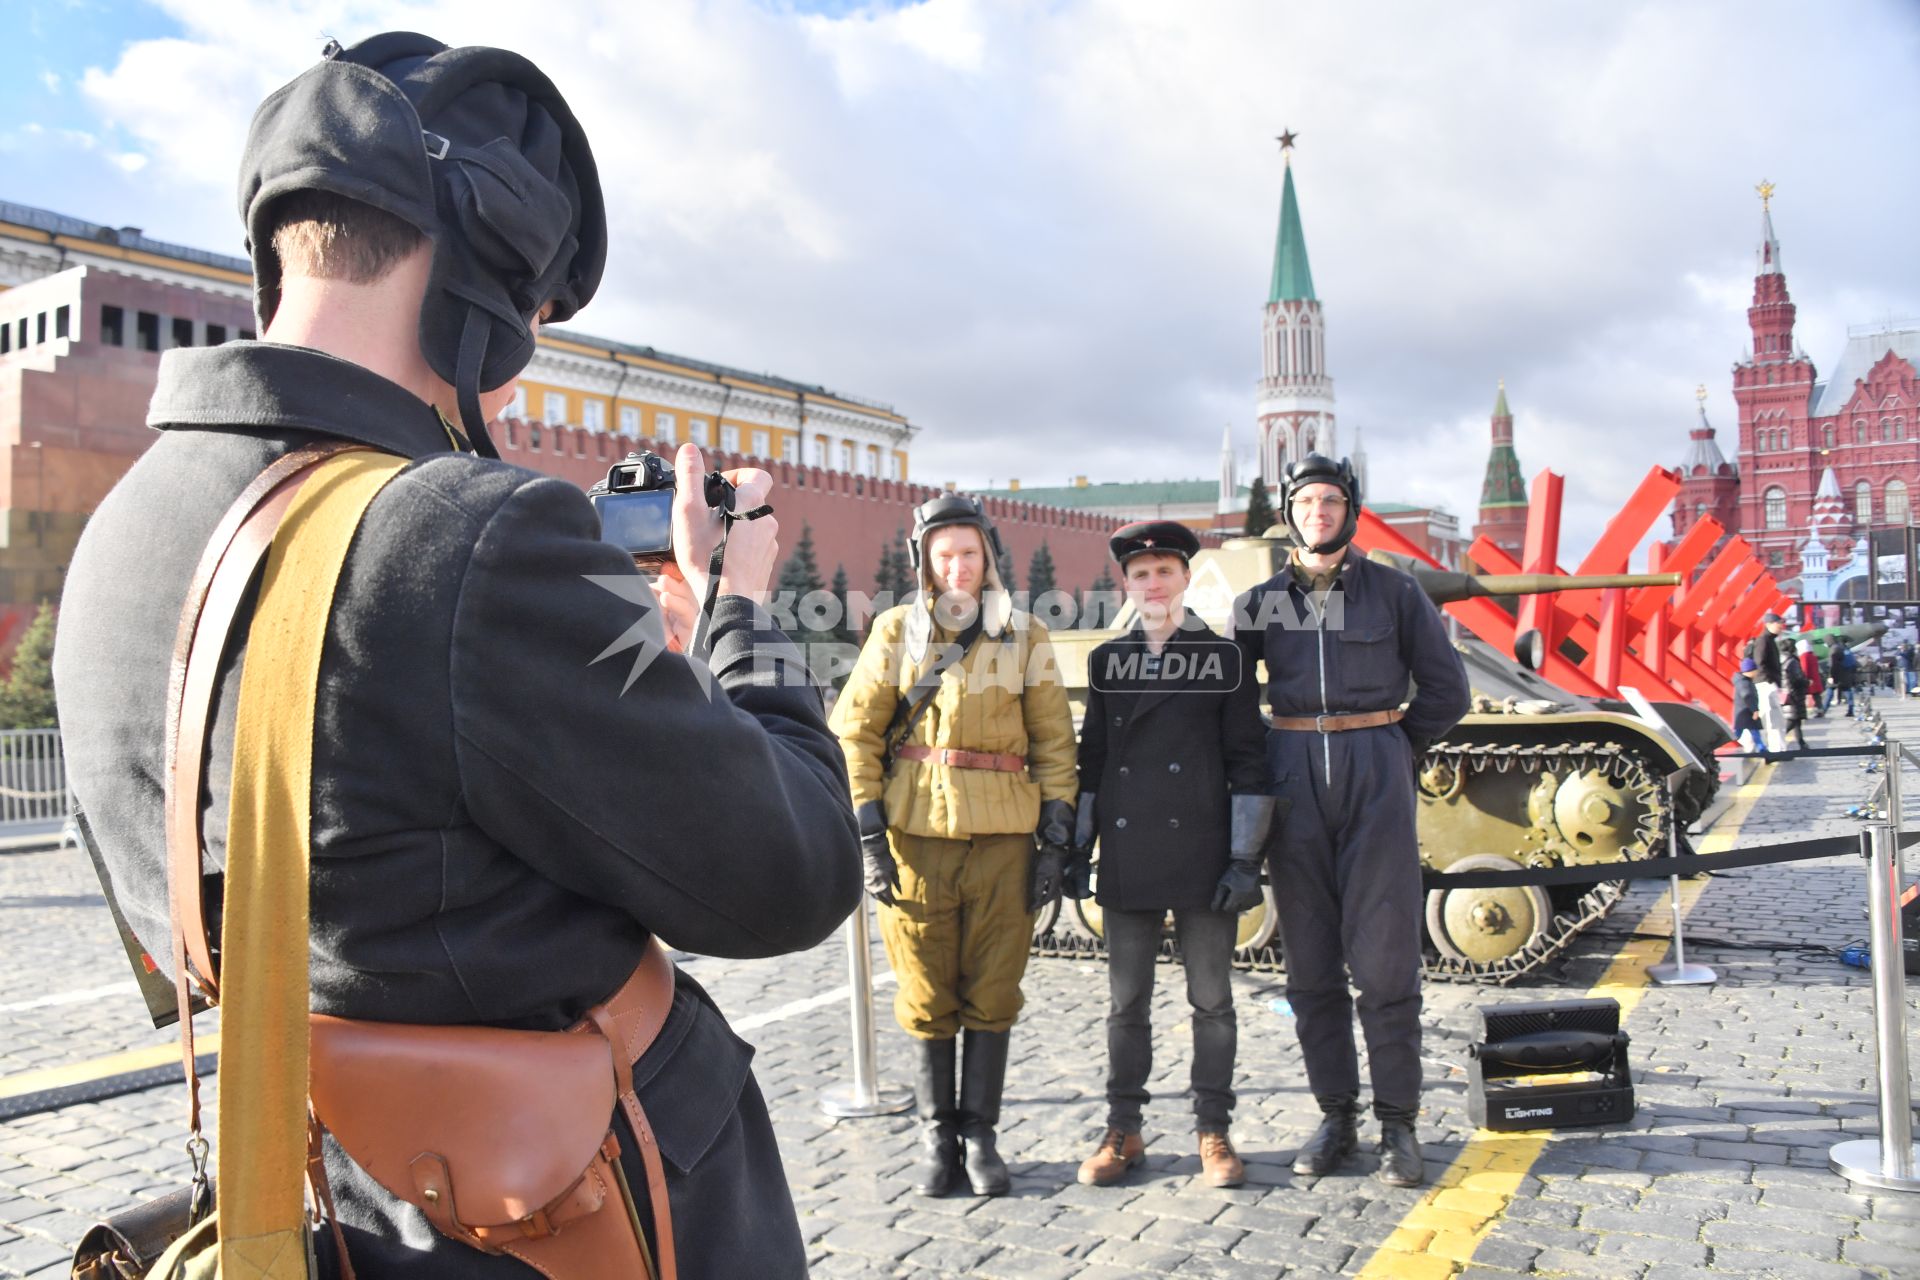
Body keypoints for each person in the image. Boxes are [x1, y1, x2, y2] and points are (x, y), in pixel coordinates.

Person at [54, 33, 860, 1279]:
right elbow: (793, 870)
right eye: (531, 308)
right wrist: (739, 614)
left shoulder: (120, 538)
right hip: (566, 1221)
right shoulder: (466, 533)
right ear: (486, 281)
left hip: (334, 1206)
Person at [1230, 455, 1470, 1188]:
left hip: (1375, 775)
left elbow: (1446, 689)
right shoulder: (1258, 604)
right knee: (1309, 965)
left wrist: (1393, 745)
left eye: (1331, 500)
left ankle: (1398, 1122)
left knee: (1388, 960)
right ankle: (1336, 1116)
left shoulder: (1394, 593)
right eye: (1306, 502)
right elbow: (1237, 707)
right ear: (1288, 512)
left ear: (1350, 510)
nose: (1319, 513)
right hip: (1294, 775)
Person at [831, 495, 1078, 1198]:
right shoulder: (895, 631)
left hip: (1005, 836)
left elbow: (1055, 742)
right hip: (915, 835)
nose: (958, 566)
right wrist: (869, 833)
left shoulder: (1025, 635)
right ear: (925, 562)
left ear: (988, 557)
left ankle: (981, 1136)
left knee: (995, 987)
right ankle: (938, 1134)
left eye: (969, 552)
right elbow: (854, 733)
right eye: (944, 554)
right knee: (925, 987)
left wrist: (1056, 838)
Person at [1072, 521, 1272, 1190]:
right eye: (1141, 574)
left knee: (1212, 1002)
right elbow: (1093, 764)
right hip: (1130, 855)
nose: (1153, 584)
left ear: (1187, 577)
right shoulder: (1107, 663)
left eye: (1165, 571)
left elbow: (1249, 763)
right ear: (1125, 584)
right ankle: (1122, 1129)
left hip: (1204, 856)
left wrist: (1245, 859)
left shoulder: (1225, 660)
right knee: (1126, 1004)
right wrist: (1078, 847)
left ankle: (1213, 1129)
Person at [1748, 612, 1788, 751]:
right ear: (1769, 624)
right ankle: (1776, 749)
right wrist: (1770, 680)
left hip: (1769, 683)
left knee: (1776, 719)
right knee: (1772, 719)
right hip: (1766, 684)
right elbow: (1760, 662)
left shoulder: (1769, 640)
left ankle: (1779, 748)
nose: (1781, 626)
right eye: (1778, 623)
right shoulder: (1763, 640)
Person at [1730, 659, 1761, 752]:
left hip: (1744, 713)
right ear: (1750, 670)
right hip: (1746, 713)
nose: (1757, 672)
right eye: (1755, 670)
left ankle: (1763, 750)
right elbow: (1747, 696)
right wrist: (1755, 710)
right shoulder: (1744, 683)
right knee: (1742, 733)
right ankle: (1763, 751)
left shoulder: (1743, 680)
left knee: (1752, 733)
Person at [1782, 646, 1809, 750]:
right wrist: (1807, 682)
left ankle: (1802, 743)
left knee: (1796, 719)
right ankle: (1777, 740)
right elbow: (1798, 678)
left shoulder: (1783, 660)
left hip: (1787, 693)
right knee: (1793, 720)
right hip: (1794, 694)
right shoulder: (1792, 662)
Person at [1830, 639, 1859, 718]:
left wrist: (1833, 675)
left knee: (1831, 690)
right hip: (1848, 674)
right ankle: (1851, 709)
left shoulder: (1838, 651)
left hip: (1841, 674)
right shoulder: (1848, 651)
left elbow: (1834, 664)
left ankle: (1824, 708)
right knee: (1848, 692)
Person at [1798, 639, 1825, 719]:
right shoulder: (1812, 655)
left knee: (1802, 697)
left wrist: (1803, 678)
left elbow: (1804, 668)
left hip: (1809, 679)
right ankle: (1820, 711)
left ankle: (1803, 713)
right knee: (1817, 697)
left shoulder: (1804, 656)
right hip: (1815, 678)